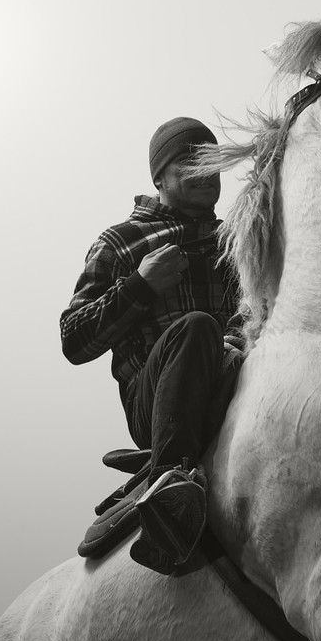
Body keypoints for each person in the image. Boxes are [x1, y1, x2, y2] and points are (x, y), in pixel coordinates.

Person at [59, 117, 244, 574]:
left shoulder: (237, 241)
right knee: (196, 326)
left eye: (213, 164)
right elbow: (74, 340)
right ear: (158, 177)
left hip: (239, 381)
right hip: (157, 402)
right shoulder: (120, 242)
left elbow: (261, 307)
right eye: (189, 162)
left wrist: (236, 341)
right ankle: (171, 485)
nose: (205, 173)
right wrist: (140, 286)